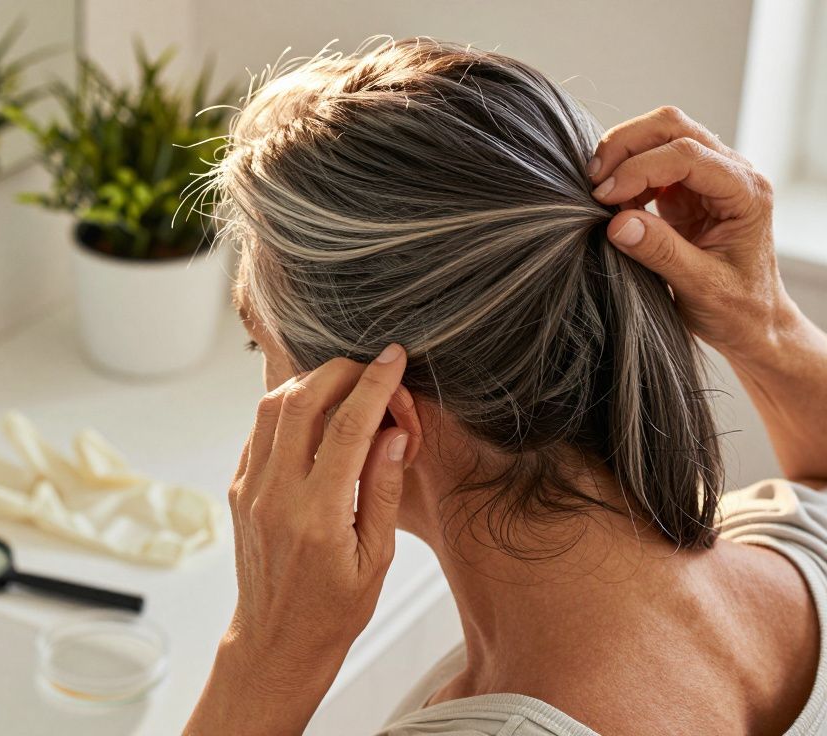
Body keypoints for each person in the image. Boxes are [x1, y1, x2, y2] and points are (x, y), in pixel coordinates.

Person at [183, 37, 827, 735]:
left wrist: (263, 658)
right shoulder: (802, 560)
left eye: (259, 342)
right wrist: (769, 326)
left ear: (378, 413)